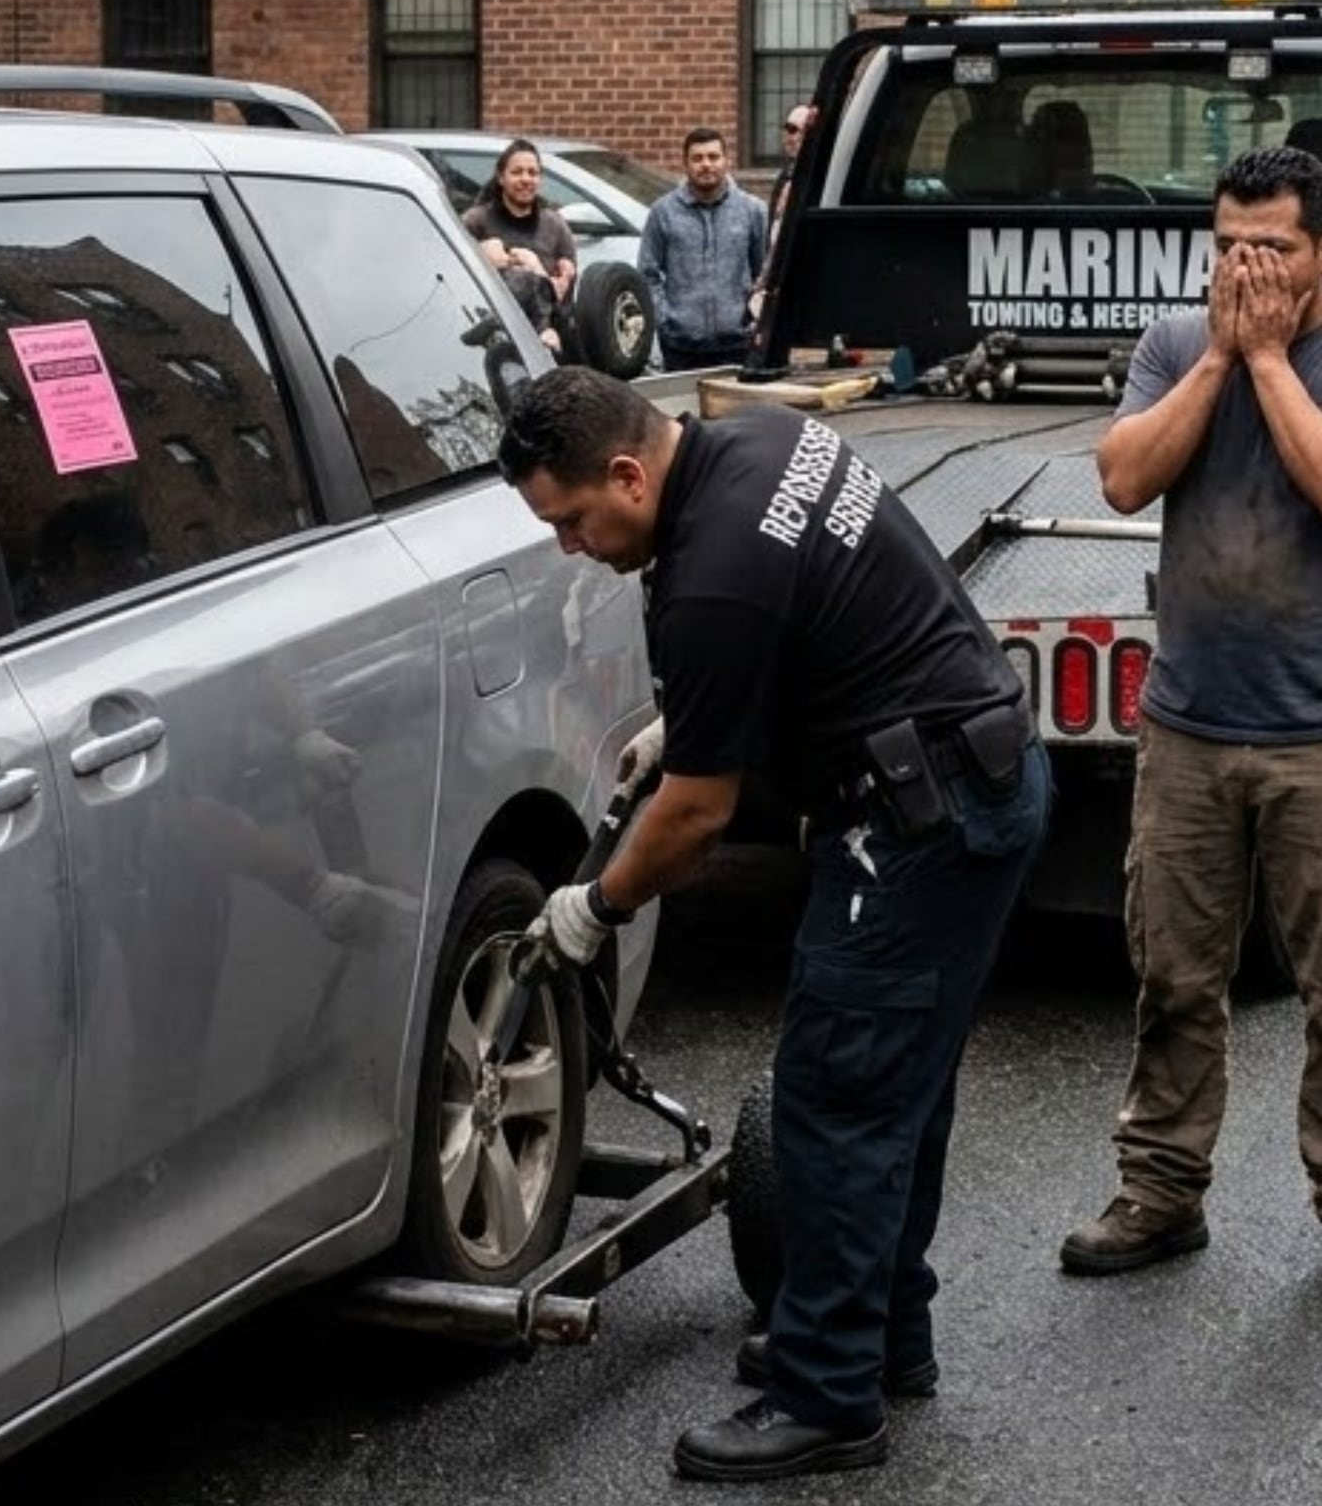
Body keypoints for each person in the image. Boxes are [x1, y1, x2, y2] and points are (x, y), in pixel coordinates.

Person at [499, 366, 1051, 1482]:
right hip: (975, 779)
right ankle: (879, 1335)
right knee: (896, 1085)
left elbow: (698, 815)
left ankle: (825, 1398)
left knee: (834, 1098)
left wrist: (592, 909)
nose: (571, 545)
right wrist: (694, 716)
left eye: (570, 519)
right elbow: (807, 612)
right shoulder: (753, 443)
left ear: (623, 471)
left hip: (916, 819)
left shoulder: (709, 579)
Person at [1060, 144, 1322, 1275]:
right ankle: (1161, 1191)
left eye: (1274, 247)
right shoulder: (1177, 343)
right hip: (1192, 726)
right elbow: (1122, 477)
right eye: (1227, 249)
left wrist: (1269, 361)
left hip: (1317, 736)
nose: (1246, 267)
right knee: (1173, 977)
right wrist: (1220, 355)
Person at [638, 127, 769, 372]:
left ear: (726, 160)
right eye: (697, 158)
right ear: (685, 164)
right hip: (681, 348)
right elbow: (648, 274)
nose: (706, 165)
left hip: (739, 345)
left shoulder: (753, 211)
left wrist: (756, 322)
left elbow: (763, 275)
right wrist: (664, 321)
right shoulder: (662, 213)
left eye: (713, 157)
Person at [463, 138, 578, 356]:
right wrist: (483, 257)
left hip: (546, 341)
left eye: (532, 173)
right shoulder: (475, 221)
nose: (526, 179)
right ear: (501, 177)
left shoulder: (556, 226)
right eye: (517, 172)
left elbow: (565, 302)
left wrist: (545, 275)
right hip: (491, 339)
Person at [750, 104, 816, 328]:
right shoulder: (786, 175)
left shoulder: (820, 177)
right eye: (790, 128)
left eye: (803, 130)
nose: (794, 136)